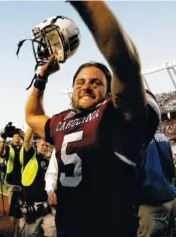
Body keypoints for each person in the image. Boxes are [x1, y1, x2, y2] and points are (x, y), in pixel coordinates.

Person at [25, 2, 160, 236]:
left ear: (109, 92)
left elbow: (124, 63)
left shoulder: (115, 115)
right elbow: (32, 116)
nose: (86, 87)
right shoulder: (62, 121)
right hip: (68, 229)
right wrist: (41, 78)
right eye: (80, 82)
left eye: (95, 82)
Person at [137, 122, 176, 236]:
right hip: (169, 197)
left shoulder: (135, 139)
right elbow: (171, 171)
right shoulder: (163, 137)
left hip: (150, 204)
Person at [21, 128, 56, 237]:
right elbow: (26, 141)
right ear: (36, 146)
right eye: (42, 145)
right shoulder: (31, 157)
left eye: (47, 146)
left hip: (47, 207)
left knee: (53, 230)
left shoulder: (50, 162)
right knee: (31, 234)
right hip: (33, 206)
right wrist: (32, 125)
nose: (45, 147)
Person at [0, 129, 25, 237]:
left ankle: (18, 232)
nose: (17, 137)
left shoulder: (24, 148)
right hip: (12, 183)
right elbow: (0, 152)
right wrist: (3, 139)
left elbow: (28, 143)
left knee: (22, 208)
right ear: (12, 138)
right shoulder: (9, 148)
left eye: (18, 135)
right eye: (14, 135)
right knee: (14, 208)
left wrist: (22, 133)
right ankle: (13, 232)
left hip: (24, 182)